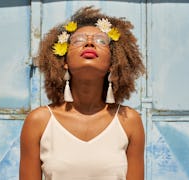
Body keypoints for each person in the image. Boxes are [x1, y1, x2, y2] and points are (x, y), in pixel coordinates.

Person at [20, 6, 145, 180]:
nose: (89, 43)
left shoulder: (129, 121)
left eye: (101, 41)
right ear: (64, 61)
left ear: (113, 63)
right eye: (78, 40)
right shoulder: (39, 122)